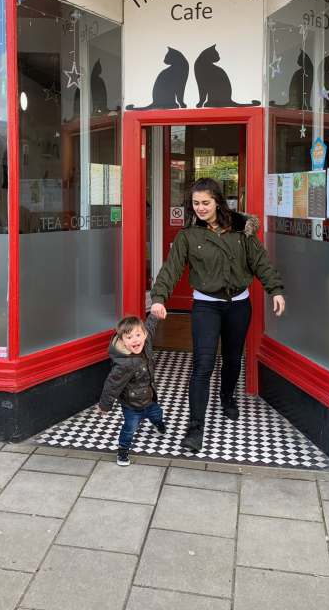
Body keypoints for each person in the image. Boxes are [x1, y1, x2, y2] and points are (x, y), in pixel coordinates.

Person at [150, 178, 285, 453]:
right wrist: (159, 297)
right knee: (203, 364)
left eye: (205, 203)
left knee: (233, 358)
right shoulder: (188, 236)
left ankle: (227, 397)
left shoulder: (241, 229)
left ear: (218, 202)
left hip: (238, 305)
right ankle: (195, 427)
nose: (200, 208)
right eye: (196, 203)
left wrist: (275, 289)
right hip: (206, 306)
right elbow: (171, 269)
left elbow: (259, 261)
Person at [98, 314, 165, 467]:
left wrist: (155, 314)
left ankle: (158, 423)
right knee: (129, 428)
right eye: (129, 338)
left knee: (157, 413)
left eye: (138, 335)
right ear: (122, 341)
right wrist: (105, 406)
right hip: (131, 405)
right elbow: (112, 386)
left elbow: (150, 326)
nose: (135, 340)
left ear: (144, 335)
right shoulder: (123, 364)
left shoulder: (146, 342)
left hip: (149, 398)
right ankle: (122, 450)